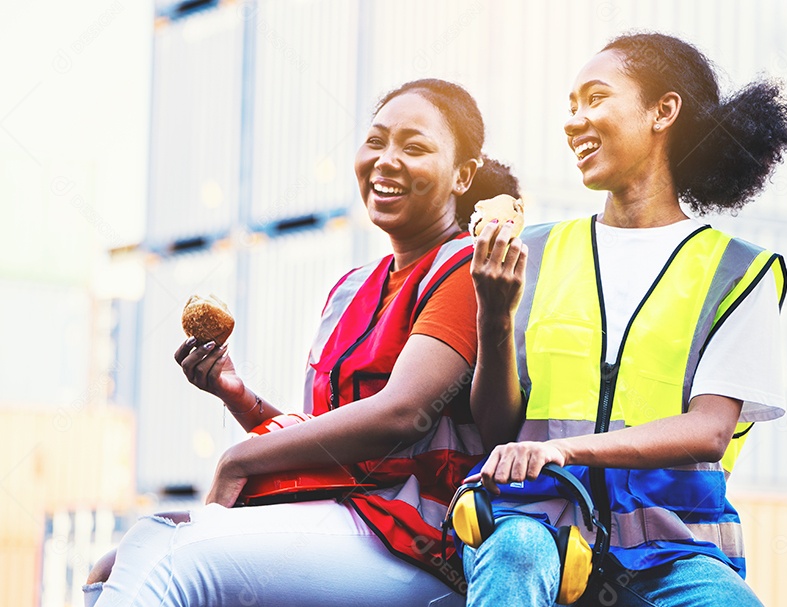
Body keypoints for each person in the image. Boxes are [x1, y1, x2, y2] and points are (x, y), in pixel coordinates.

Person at [83, 78, 519, 607]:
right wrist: (241, 398)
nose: (386, 160)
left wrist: (240, 459)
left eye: (414, 147)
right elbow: (330, 439)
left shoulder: (467, 268)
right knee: (120, 558)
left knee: (168, 554)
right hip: (346, 514)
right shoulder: (352, 288)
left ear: (462, 175)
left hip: (418, 538)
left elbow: (403, 414)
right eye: (376, 141)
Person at [465, 33, 787, 606]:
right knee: (518, 551)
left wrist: (566, 450)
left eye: (596, 98)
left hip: (673, 549)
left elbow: (709, 431)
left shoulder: (738, 271)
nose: (574, 121)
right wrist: (495, 319)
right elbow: (496, 428)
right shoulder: (533, 253)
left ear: (663, 111)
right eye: (570, 106)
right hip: (534, 522)